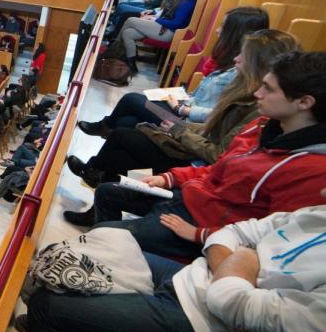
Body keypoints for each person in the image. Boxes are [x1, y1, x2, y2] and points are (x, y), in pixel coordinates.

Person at [27, 204, 326, 332]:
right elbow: (231, 233)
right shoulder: (320, 212)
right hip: (193, 282)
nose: (258, 96)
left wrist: (238, 279)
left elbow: (227, 300)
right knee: (71, 253)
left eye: (267, 93)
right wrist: (240, 268)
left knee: (45, 305)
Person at [65, 51, 326, 259]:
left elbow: (268, 238)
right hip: (190, 198)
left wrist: (202, 234)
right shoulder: (262, 126)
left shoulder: (312, 172)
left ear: (304, 102)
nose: (259, 93)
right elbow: (219, 168)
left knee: (101, 235)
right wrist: (170, 179)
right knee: (107, 191)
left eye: (269, 89)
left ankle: (113, 256)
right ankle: (116, 252)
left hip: (200, 224)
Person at [78, 7, 271, 134]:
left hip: (187, 123)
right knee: (127, 123)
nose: (217, 30)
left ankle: (104, 127)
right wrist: (179, 97)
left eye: (223, 26)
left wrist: (183, 108)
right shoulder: (230, 62)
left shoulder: (240, 72)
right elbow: (200, 93)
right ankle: (102, 168)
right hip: (184, 106)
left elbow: (215, 114)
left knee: (131, 99)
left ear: (235, 33)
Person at [113, 0, 201, 73]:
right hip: (162, 27)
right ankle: (131, 65)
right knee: (128, 33)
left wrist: (156, 19)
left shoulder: (188, 2)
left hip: (169, 33)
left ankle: (113, 49)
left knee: (131, 20)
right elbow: (166, 14)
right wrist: (154, 16)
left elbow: (176, 24)